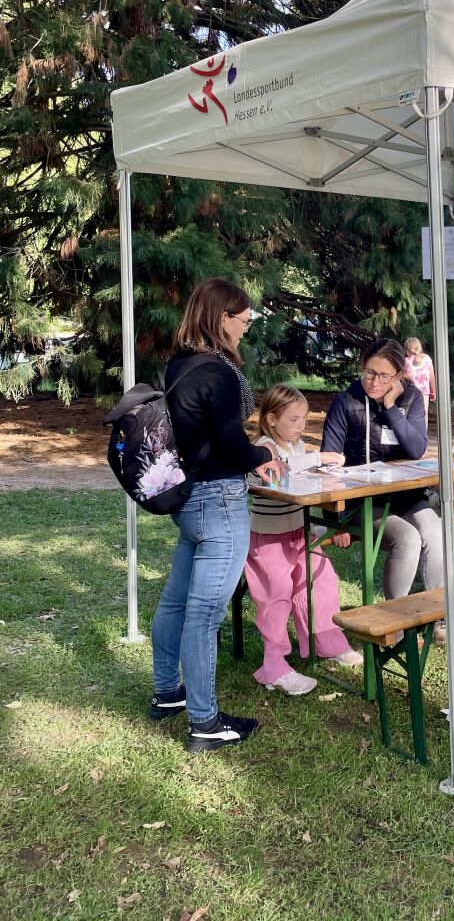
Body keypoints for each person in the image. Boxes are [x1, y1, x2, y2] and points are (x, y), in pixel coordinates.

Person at [150, 278, 285, 752]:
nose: (247, 327)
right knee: (204, 614)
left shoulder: (178, 365)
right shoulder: (219, 373)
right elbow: (230, 444)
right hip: (220, 502)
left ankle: (167, 693)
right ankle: (204, 722)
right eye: (244, 319)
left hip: (188, 499)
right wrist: (263, 453)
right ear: (222, 317)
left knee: (176, 603)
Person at [245, 385, 362, 697]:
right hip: (268, 537)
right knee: (276, 596)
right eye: (294, 419)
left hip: (301, 531)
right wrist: (316, 458)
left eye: (304, 419)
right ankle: (274, 666)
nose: (301, 426)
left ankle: (327, 641)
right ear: (271, 419)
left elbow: (302, 476)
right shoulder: (264, 447)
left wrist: (323, 470)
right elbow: (280, 470)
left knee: (322, 582)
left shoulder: (296, 445)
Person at [321, 337, 443, 608]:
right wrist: (333, 520)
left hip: (405, 496)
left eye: (384, 376)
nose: (374, 382)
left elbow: (416, 449)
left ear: (399, 375)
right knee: (407, 538)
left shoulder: (411, 397)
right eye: (369, 373)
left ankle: (437, 614)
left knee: (436, 531)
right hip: (361, 502)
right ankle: (394, 618)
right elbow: (327, 464)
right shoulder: (345, 401)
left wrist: (391, 408)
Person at [403, 337, 436, 428]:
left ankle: (411, 432)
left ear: (407, 349)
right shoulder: (427, 359)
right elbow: (431, 377)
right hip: (424, 392)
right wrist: (433, 391)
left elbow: (402, 376)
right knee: (424, 414)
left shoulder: (406, 361)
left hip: (411, 391)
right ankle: (423, 433)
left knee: (410, 413)